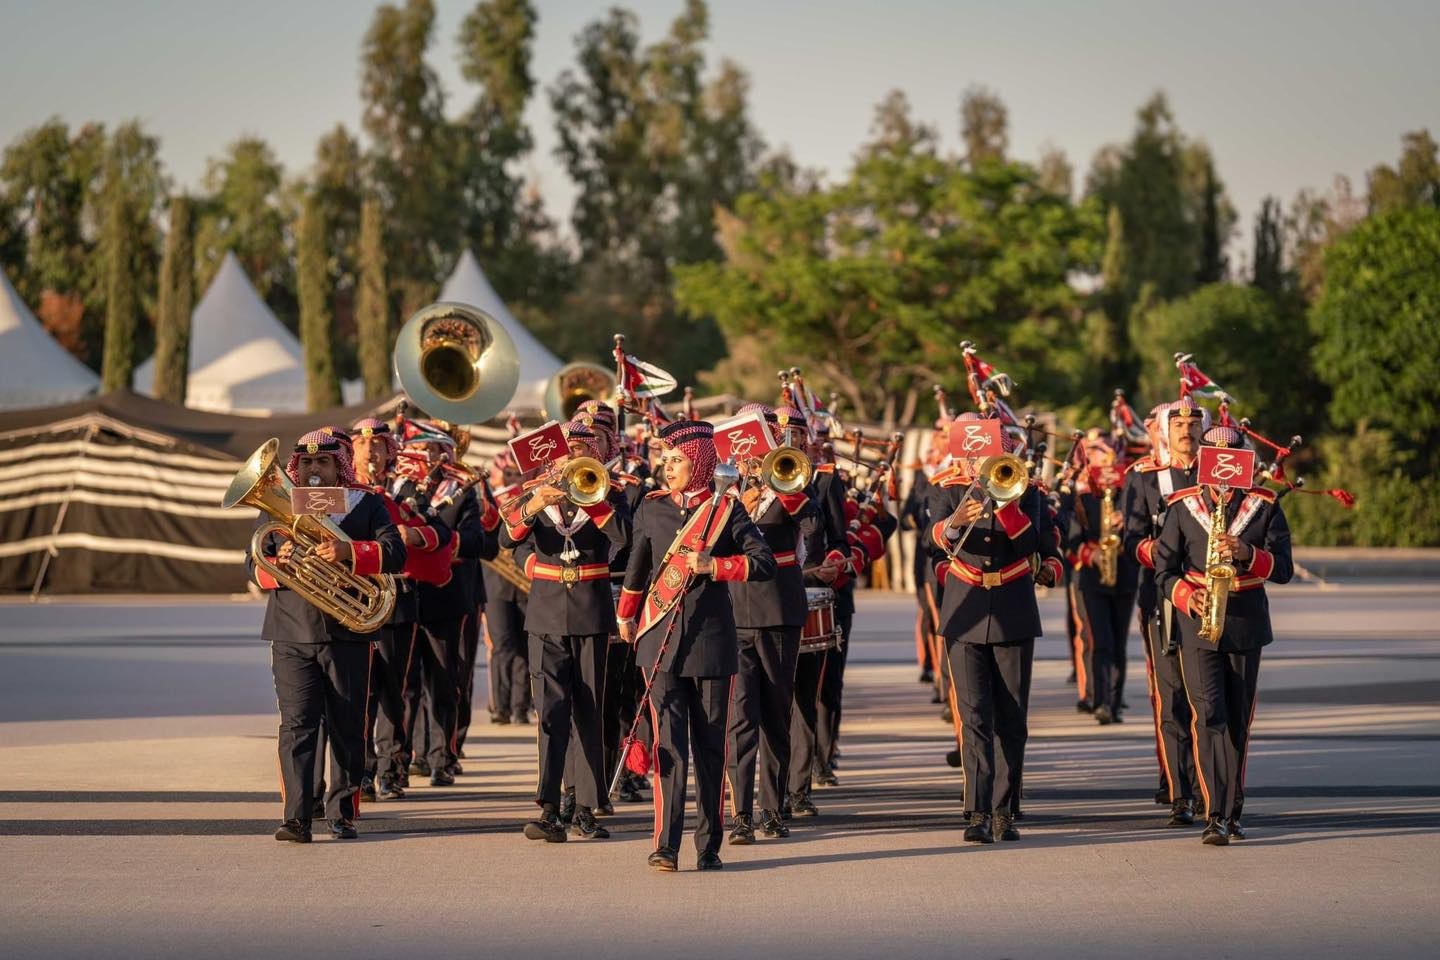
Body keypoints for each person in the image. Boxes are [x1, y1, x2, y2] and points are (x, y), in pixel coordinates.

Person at [617, 420, 776, 872]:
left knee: (710, 749)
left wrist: (715, 565)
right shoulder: (651, 508)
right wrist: (626, 615)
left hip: (711, 644)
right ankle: (665, 845)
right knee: (669, 748)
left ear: (702, 464)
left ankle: (708, 845)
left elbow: (763, 563)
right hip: (660, 644)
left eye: (678, 461)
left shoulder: (728, 510)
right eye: (666, 461)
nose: (669, 469)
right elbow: (637, 566)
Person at [251, 430, 406, 843]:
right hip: (291, 633)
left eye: (322, 463)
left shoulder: (367, 503)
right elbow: (252, 564)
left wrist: (349, 552)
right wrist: (275, 560)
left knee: (347, 726)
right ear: (295, 468)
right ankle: (296, 817)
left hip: (347, 634)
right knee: (297, 725)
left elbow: (396, 552)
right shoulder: (278, 509)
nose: (313, 470)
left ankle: (342, 812)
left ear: (340, 465)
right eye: (306, 464)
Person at [927, 415, 1063, 844]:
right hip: (964, 608)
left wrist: (1006, 504)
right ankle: (978, 810)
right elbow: (935, 540)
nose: (976, 458)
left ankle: (1006, 809)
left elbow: (1034, 547)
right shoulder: (945, 487)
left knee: (1011, 716)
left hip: (1012, 606)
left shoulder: (1028, 490)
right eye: (970, 450)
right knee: (973, 717)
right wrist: (956, 521)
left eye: (984, 449)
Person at [1155, 425, 1293, 846]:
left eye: (1228, 454)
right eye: (1212, 454)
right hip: (1198, 623)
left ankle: (1234, 811)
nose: (1220, 463)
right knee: (1208, 715)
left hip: (1246, 623)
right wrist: (1185, 596)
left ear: (1242, 458)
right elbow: (1164, 569)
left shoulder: (1264, 505)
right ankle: (1214, 813)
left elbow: (1284, 569)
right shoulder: (1183, 505)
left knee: (1236, 722)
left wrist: (1248, 553)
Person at [504, 418, 632, 843]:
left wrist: (589, 495)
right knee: (551, 714)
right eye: (565, 452)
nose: (572, 457)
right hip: (544, 615)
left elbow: (623, 537)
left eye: (581, 449)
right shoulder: (539, 492)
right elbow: (507, 538)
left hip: (591, 613)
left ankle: (586, 806)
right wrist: (537, 501)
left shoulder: (610, 491)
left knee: (589, 711)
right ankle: (549, 807)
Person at [724, 404, 817, 844]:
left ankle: (773, 810)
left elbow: (814, 526)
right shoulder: (725, 489)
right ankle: (741, 813)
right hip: (734, 612)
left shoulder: (789, 480)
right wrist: (732, 498)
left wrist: (780, 485)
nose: (749, 460)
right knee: (740, 717)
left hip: (779, 610)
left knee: (776, 715)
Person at [351, 417, 454, 802]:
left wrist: (412, 534)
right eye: (363, 446)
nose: (370, 452)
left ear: (391, 450)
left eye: (378, 444)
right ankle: (358, 769)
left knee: (397, 689)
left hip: (397, 597)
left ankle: (391, 769)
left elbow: (440, 531)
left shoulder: (411, 486)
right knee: (357, 689)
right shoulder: (342, 490)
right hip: (354, 599)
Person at [1122, 399, 1208, 826]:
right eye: (1178, 423)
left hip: (1214, 597)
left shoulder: (1221, 472)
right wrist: (1162, 552)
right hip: (1163, 598)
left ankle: (1217, 790)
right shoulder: (1144, 478)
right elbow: (1131, 538)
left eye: (1195, 423)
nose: (1186, 430)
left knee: (1211, 698)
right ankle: (1181, 793)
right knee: (1171, 695)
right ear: (1163, 429)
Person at [1065, 432, 1139, 725]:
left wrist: (1127, 521)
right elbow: (1070, 541)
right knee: (1100, 641)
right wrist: (1090, 555)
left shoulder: (1129, 494)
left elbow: (1144, 527)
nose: (1104, 458)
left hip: (1125, 575)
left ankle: (1116, 700)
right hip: (1092, 579)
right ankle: (1101, 701)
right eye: (1098, 454)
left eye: (1108, 454)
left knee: (1119, 642)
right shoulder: (1081, 498)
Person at [482, 451, 531, 726]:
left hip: (525, 585)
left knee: (525, 647)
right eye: (507, 474)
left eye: (516, 474)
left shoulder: (527, 501)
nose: (512, 479)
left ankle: (521, 707)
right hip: (497, 585)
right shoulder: (490, 502)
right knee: (502, 646)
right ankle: (500, 708)